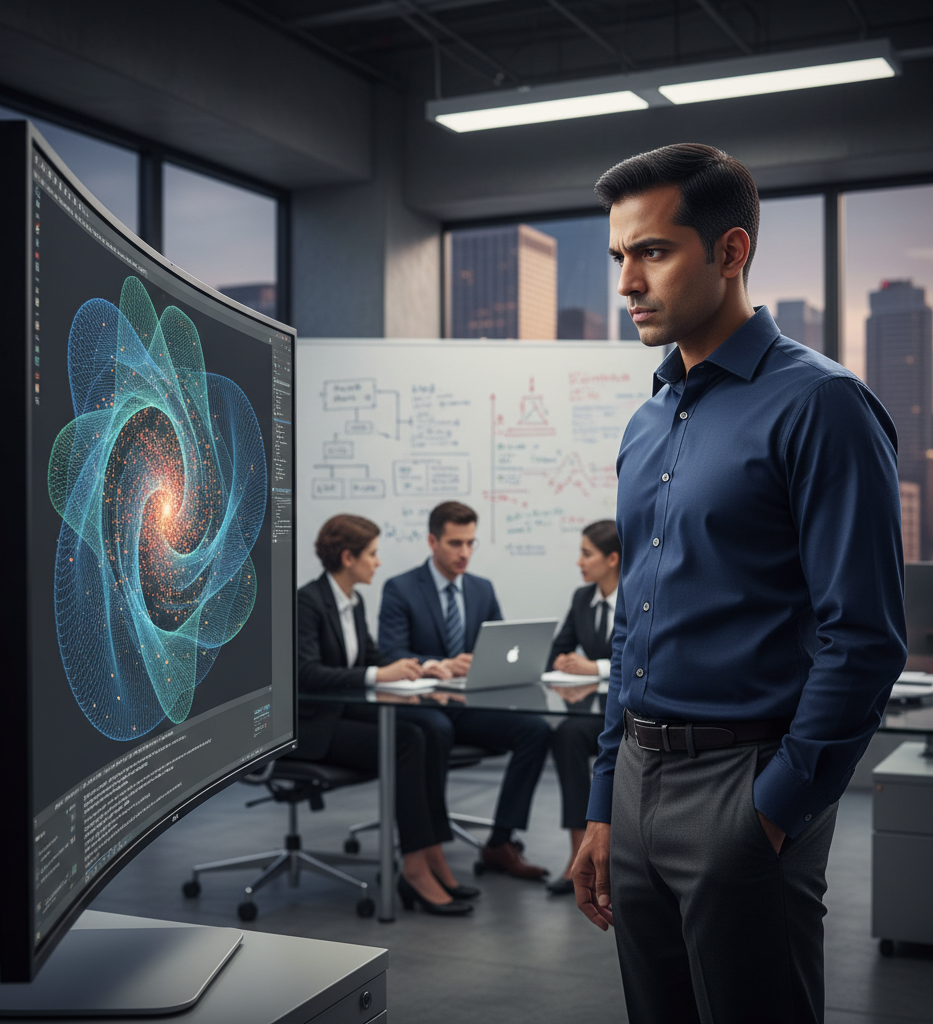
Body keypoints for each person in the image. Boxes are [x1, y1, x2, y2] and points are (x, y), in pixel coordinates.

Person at [571, 144, 906, 1024]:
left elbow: (864, 636)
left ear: (730, 252)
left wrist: (776, 808)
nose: (628, 284)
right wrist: (606, 799)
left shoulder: (824, 405)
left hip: (744, 784)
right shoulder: (646, 424)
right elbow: (632, 630)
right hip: (638, 779)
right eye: (619, 259)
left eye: (653, 252)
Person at [293, 513, 479, 916]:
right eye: (373, 554)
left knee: (428, 728)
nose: (378, 562)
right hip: (314, 728)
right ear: (348, 557)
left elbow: (372, 657)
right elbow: (307, 674)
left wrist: (419, 666)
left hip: (346, 714)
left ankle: (432, 855)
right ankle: (415, 868)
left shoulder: (352, 601)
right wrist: (380, 674)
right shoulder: (308, 602)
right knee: (409, 738)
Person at [379, 501, 552, 879]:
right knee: (434, 729)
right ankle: (431, 844)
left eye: (471, 543)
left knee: (536, 730)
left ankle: (500, 842)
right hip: (420, 705)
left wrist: (484, 662)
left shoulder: (481, 589)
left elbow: (502, 646)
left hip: (466, 704)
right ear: (432, 541)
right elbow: (392, 653)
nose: (464, 553)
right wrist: (434, 665)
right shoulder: (401, 588)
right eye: (456, 543)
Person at [543, 519, 620, 896]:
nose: (579, 562)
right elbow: (559, 648)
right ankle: (579, 853)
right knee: (566, 735)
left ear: (613, 558)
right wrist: (560, 662)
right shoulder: (581, 599)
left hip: (627, 714)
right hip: (590, 711)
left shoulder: (640, 594)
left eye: (586, 554)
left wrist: (596, 667)